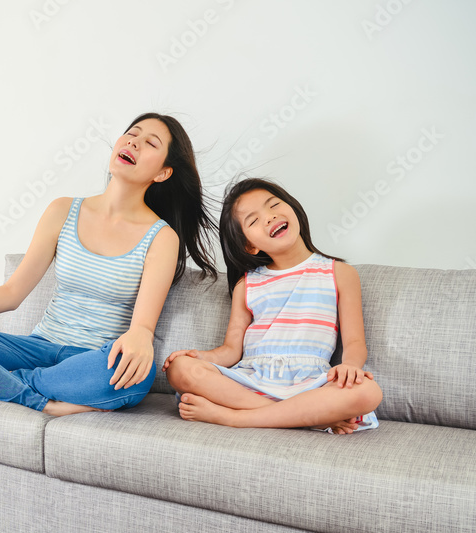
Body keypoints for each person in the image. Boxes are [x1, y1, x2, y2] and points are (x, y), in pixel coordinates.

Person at [0, 113, 217, 416]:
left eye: (150, 143)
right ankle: (39, 399)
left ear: (163, 173)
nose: (134, 142)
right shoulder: (63, 210)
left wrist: (141, 338)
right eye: (132, 134)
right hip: (35, 348)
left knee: (136, 374)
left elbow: (141, 331)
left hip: (93, 359)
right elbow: (11, 293)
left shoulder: (161, 237)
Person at [163, 178, 382, 434]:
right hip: (252, 378)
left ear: (292, 208)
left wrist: (351, 368)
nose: (269, 217)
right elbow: (231, 350)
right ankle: (305, 417)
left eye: (273, 205)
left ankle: (235, 418)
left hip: (310, 384)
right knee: (181, 370)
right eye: (253, 220)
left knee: (368, 392)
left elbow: (355, 342)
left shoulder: (340, 273)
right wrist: (200, 357)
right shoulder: (247, 284)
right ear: (250, 246)